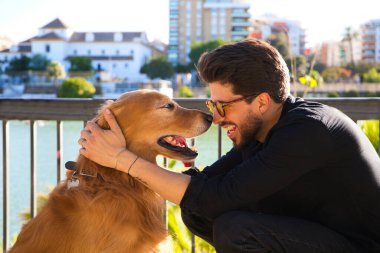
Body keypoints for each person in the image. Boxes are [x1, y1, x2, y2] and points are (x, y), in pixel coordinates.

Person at [76, 39, 380, 253]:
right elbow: (204, 187)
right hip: (320, 236)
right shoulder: (263, 131)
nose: (216, 118)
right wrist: (103, 164)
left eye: (223, 106)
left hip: (360, 245)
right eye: (212, 104)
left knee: (237, 229)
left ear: (261, 102)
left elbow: (217, 194)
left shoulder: (307, 131)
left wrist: (121, 159)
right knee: (197, 211)